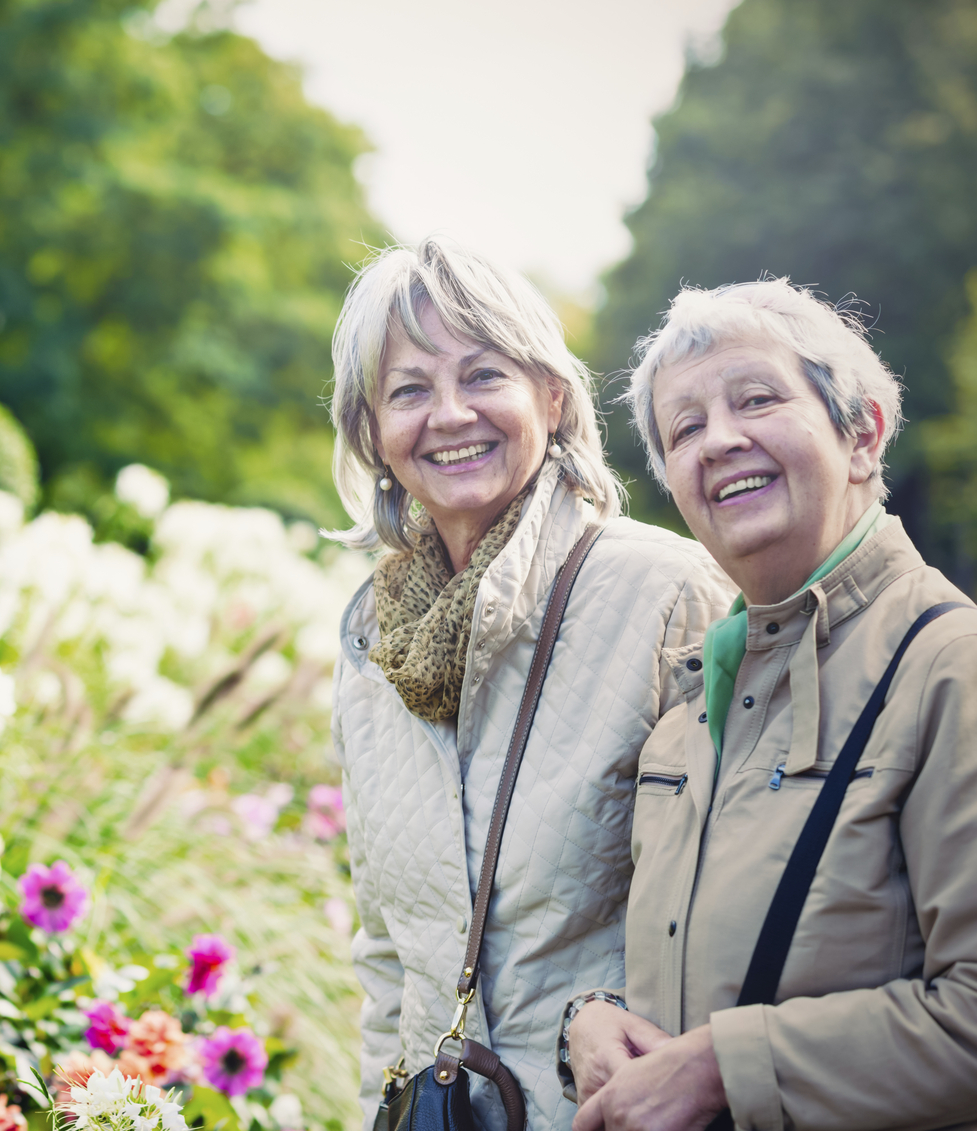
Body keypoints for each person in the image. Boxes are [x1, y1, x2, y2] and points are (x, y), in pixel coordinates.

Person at [327, 238, 734, 1131]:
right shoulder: (368, 640)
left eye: (481, 375)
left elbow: (745, 902)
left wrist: (588, 1019)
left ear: (551, 398)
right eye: (407, 390)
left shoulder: (670, 593)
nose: (447, 414)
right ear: (371, 432)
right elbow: (387, 958)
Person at [565, 279, 977, 1131]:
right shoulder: (687, 708)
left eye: (756, 398)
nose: (718, 440)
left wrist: (724, 1067)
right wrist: (594, 1015)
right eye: (683, 429)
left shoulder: (949, 666)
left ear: (860, 433)